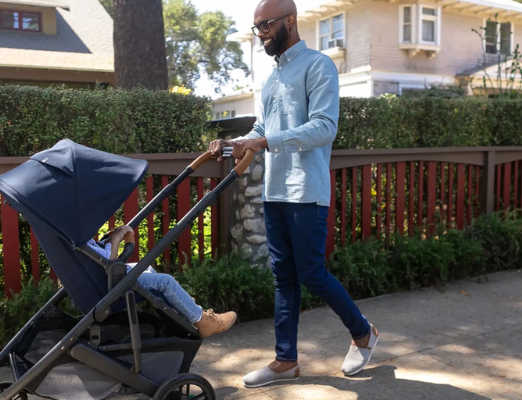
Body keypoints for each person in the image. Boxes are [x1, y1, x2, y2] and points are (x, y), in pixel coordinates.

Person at [208, 0, 379, 388]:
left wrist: (269, 140)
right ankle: (286, 361)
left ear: (290, 21)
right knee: (283, 278)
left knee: (312, 274)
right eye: (257, 28)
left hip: (307, 190)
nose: (262, 33)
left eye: (266, 25)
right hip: (275, 191)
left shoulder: (319, 66)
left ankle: (364, 334)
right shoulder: (270, 80)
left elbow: (324, 127)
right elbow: (261, 127)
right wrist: (235, 143)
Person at [87, 225, 237, 338]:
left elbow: (98, 254)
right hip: (109, 283)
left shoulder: (74, 240)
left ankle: (183, 309)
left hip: (104, 278)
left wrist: (107, 239)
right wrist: (116, 237)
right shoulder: (78, 240)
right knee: (165, 282)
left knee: (149, 270)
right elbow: (109, 260)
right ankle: (201, 320)